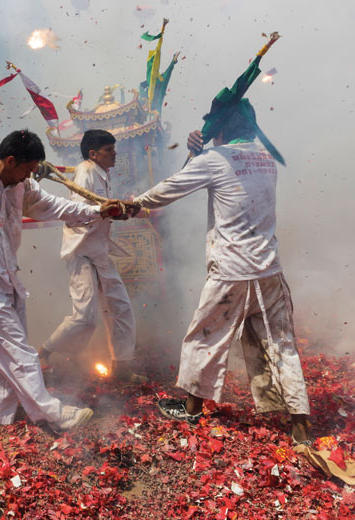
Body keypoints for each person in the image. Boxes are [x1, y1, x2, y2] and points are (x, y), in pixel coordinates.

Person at [131, 102, 311, 444]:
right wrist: (198, 152)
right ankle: (300, 424)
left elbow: (170, 189)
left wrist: (132, 205)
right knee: (282, 345)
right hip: (269, 270)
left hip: (232, 271)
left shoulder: (216, 159)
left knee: (205, 337)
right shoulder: (265, 159)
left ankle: (192, 408)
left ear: (222, 128)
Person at [0, 129, 127, 432]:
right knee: (17, 346)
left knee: (5, 344)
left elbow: (59, 207)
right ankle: (50, 413)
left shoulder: (22, 186)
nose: (31, 176)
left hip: (7, 274)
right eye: (28, 169)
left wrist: (99, 210)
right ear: (10, 160)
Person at [38, 129, 143, 381]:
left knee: (121, 309)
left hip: (99, 252)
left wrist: (120, 211)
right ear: (93, 153)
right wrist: (105, 211)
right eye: (109, 150)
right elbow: (79, 211)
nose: (114, 153)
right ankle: (43, 353)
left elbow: (101, 209)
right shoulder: (85, 170)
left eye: (113, 148)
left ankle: (122, 367)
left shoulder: (102, 173)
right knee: (85, 317)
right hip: (81, 252)